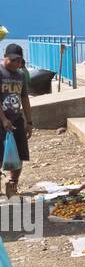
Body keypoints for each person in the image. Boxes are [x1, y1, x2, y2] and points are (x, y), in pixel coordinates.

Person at [0, 45, 33, 197]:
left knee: (20, 155)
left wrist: (29, 121)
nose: (16, 63)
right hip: (2, 120)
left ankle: (12, 184)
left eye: (19, 60)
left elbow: (24, 98)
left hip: (16, 120)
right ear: (5, 57)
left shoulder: (20, 75)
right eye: (14, 60)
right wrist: (4, 119)